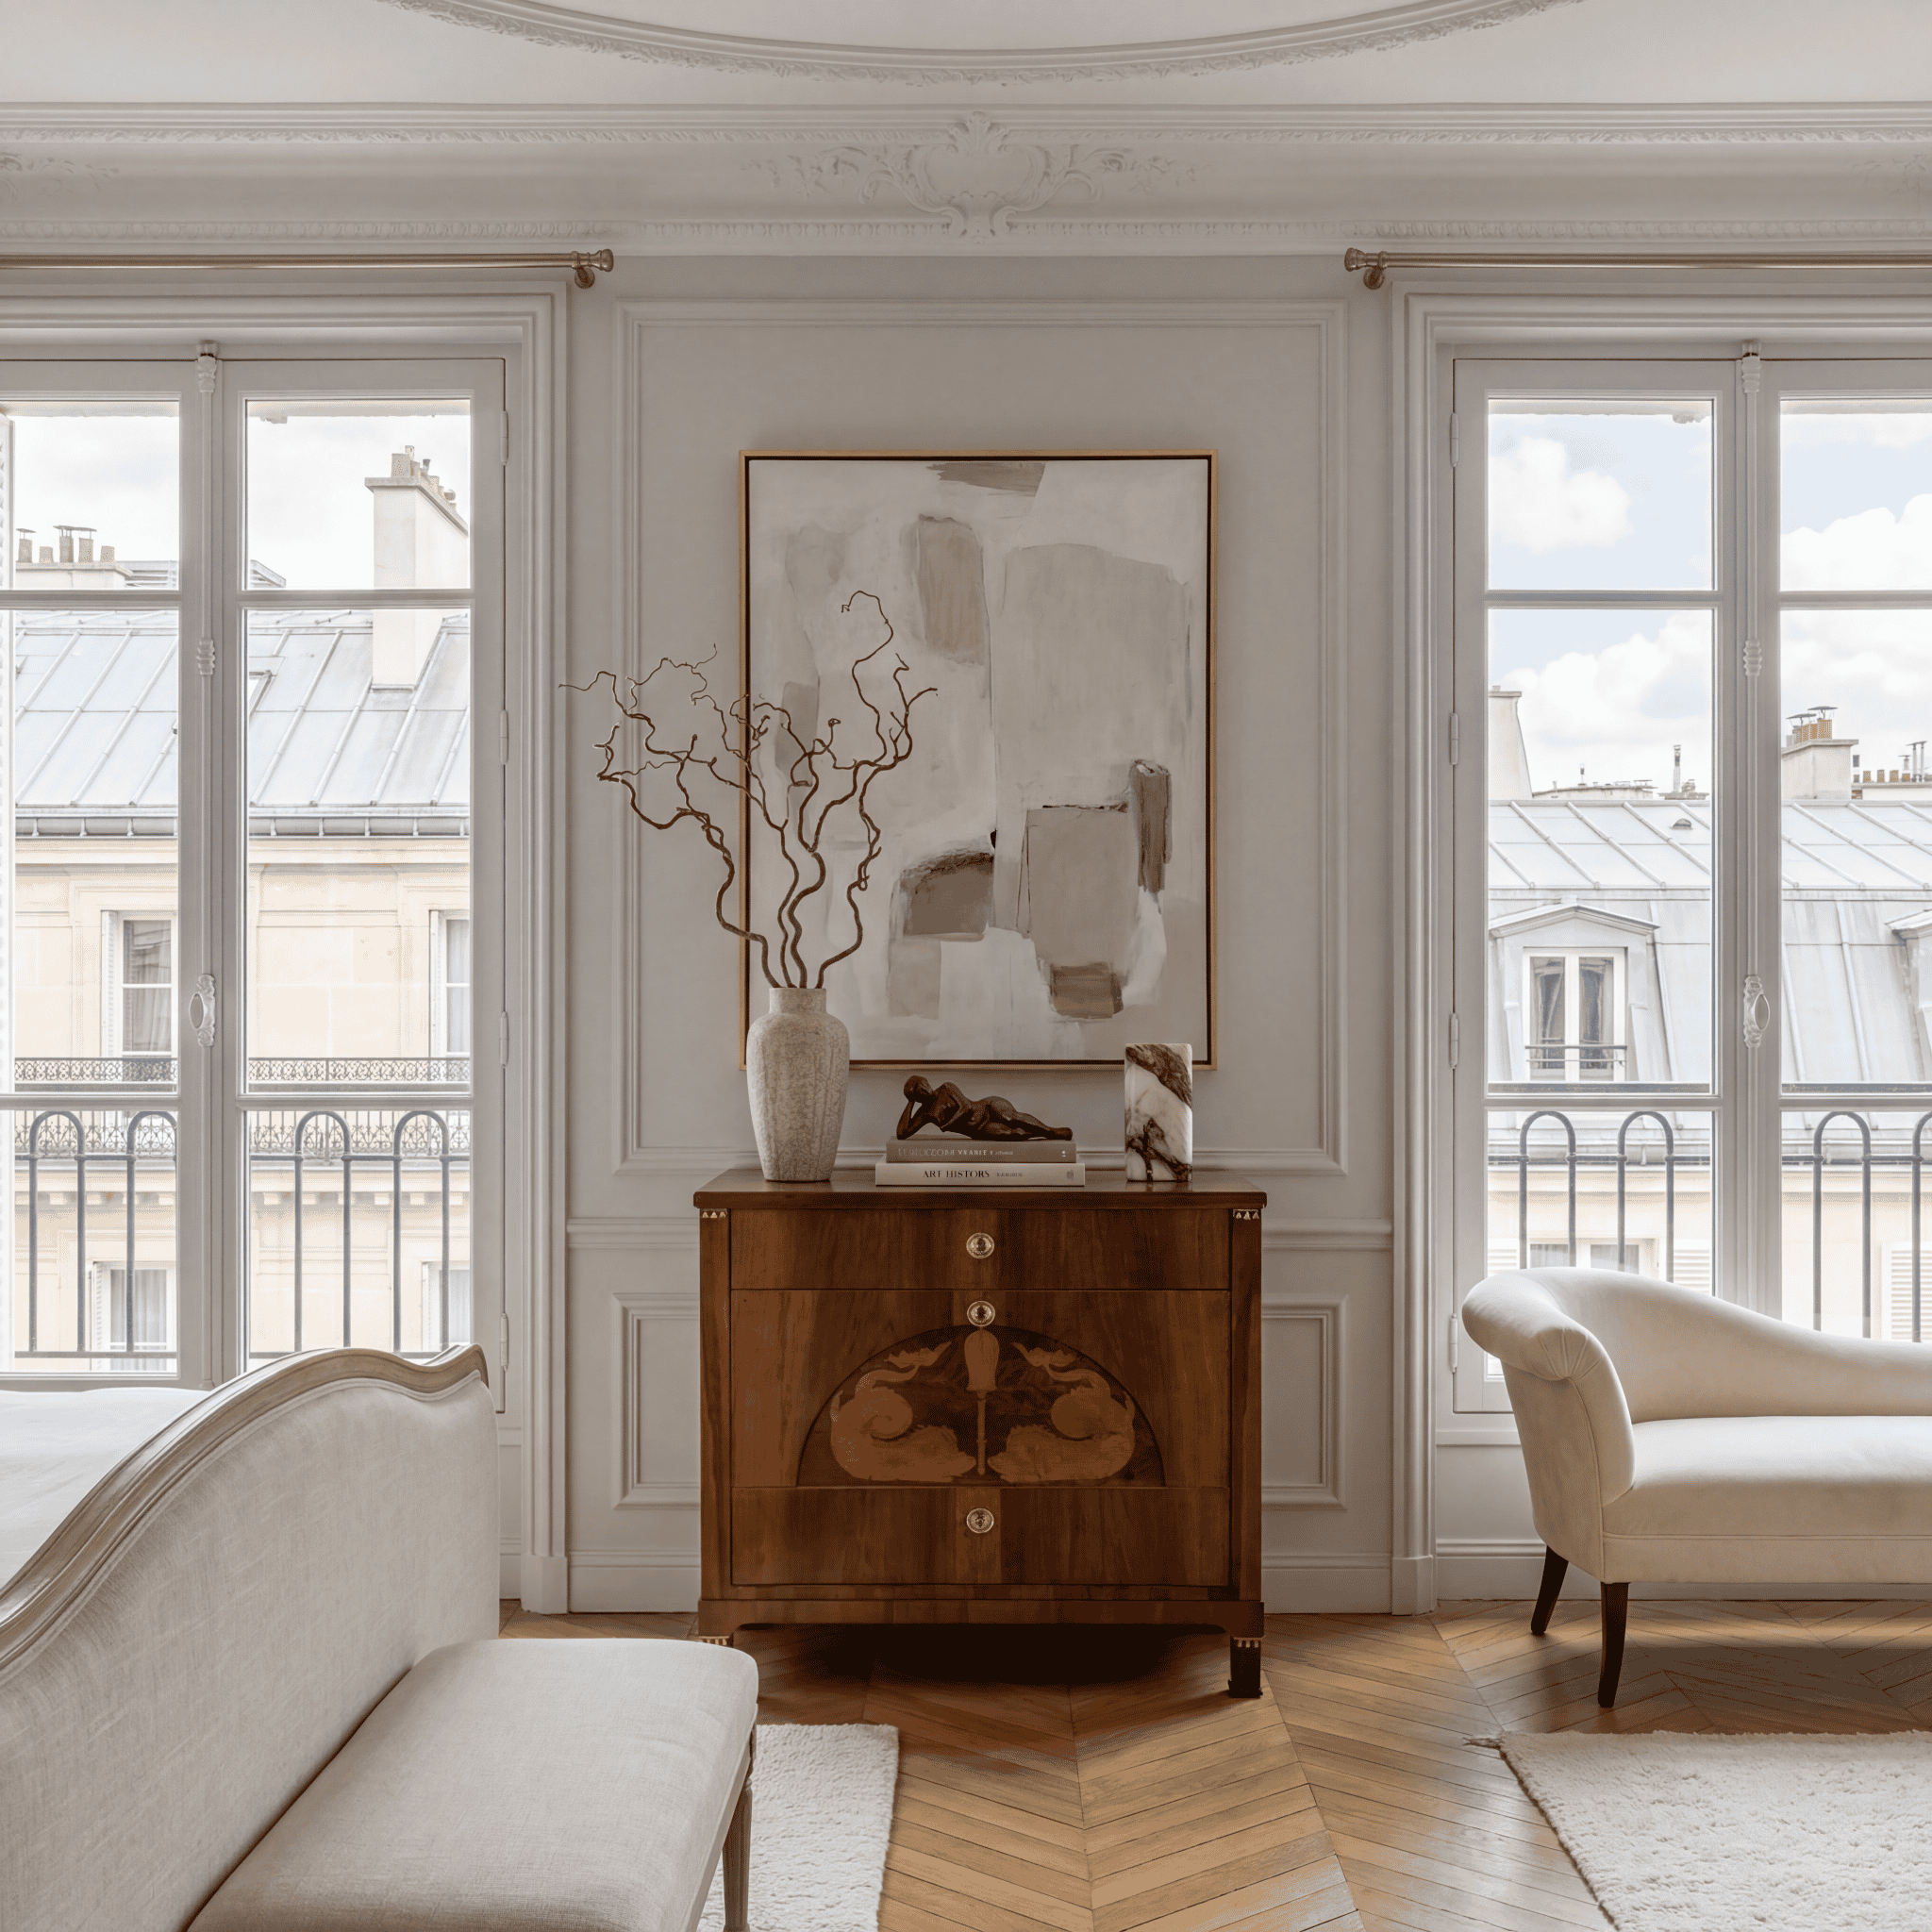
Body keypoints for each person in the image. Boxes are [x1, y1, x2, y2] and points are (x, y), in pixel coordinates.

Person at [894, 1074, 1073, 1142]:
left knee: (1011, 1118)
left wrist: (947, 1125)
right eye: (917, 1093)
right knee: (1013, 1134)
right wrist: (909, 1102)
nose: (924, 1091)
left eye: (921, 1085)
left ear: (926, 1081)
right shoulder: (925, 1113)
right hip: (978, 1130)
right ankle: (1041, 1135)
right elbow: (902, 1133)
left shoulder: (946, 1088)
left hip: (986, 1107)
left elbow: (964, 1107)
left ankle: (1052, 1131)